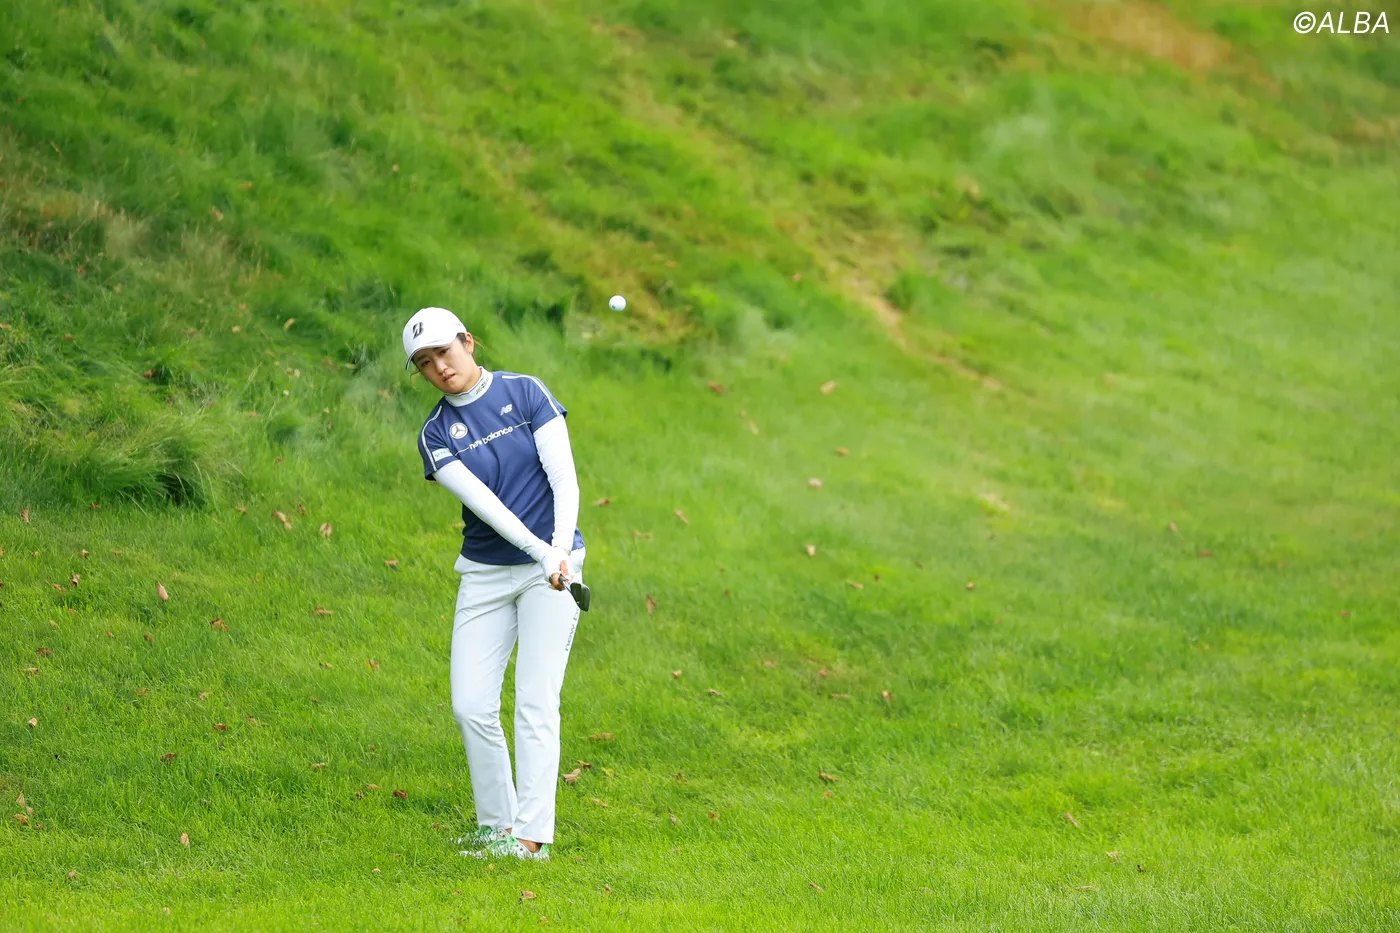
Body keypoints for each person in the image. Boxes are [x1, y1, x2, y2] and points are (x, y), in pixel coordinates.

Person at [404, 306, 586, 862]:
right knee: (470, 704)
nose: (439, 367)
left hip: (552, 570)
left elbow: (564, 478)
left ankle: (531, 838)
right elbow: (487, 506)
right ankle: (497, 826)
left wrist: (559, 551)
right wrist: (542, 552)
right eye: (425, 362)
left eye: (444, 352)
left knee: (535, 699)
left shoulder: (526, 392)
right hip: (486, 573)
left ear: (468, 342)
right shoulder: (436, 434)